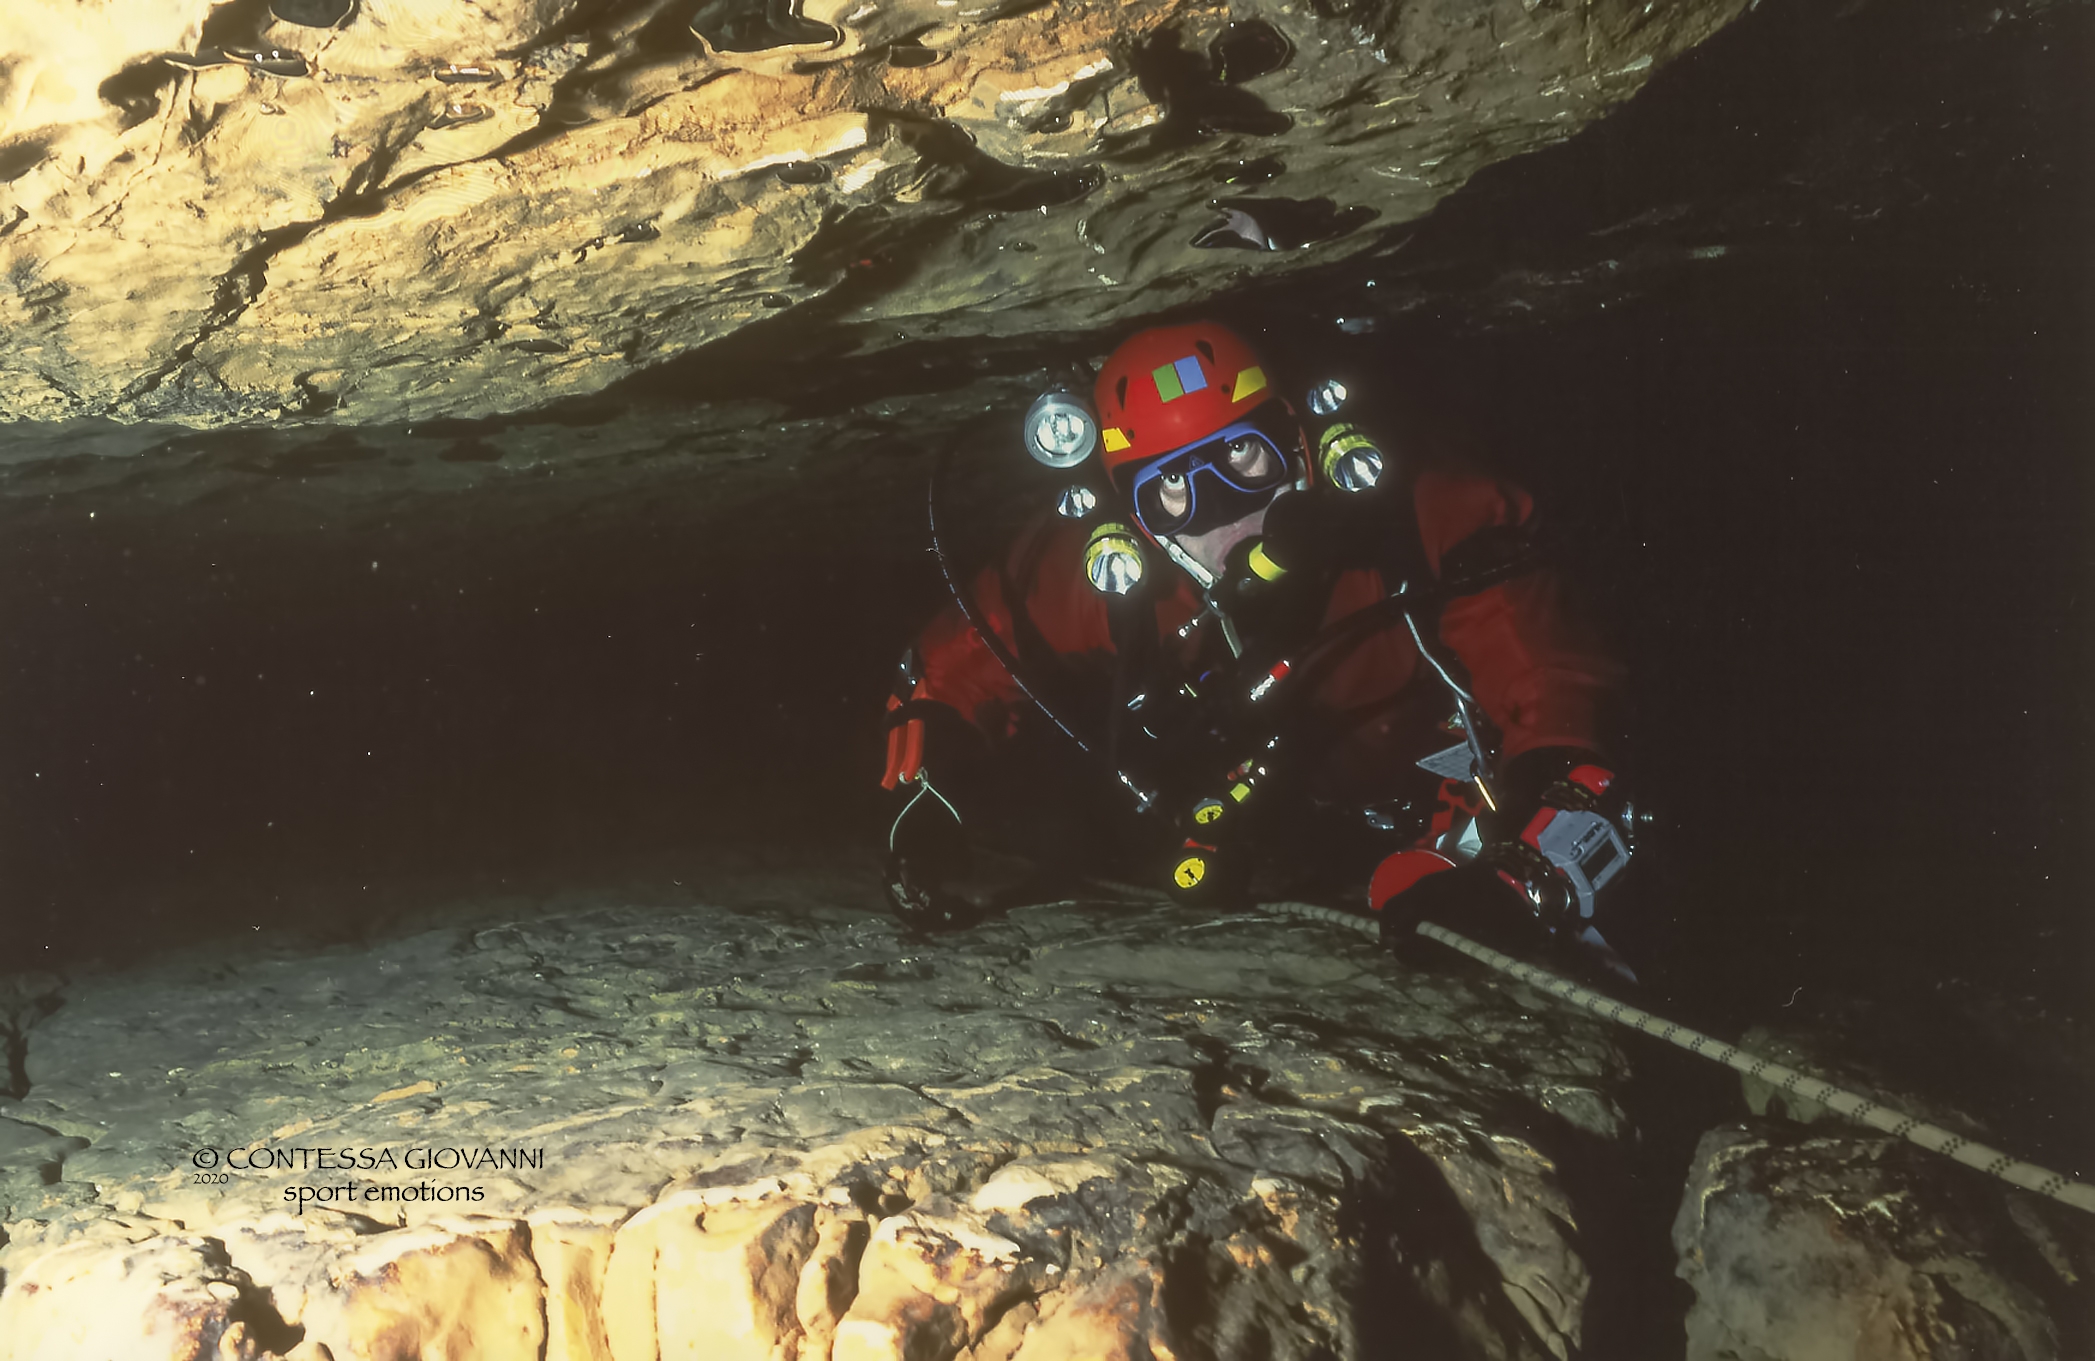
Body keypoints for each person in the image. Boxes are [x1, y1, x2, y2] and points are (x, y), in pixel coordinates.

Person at [878, 320, 1636, 966]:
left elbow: (1557, 691)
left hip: (1449, 781)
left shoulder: (1426, 520)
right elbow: (953, 664)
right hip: (1274, 797)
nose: (1220, 516)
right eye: (1170, 487)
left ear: (1300, 445)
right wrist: (923, 798)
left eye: (1243, 458)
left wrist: (1521, 878)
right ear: (1131, 515)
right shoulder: (1106, 577)